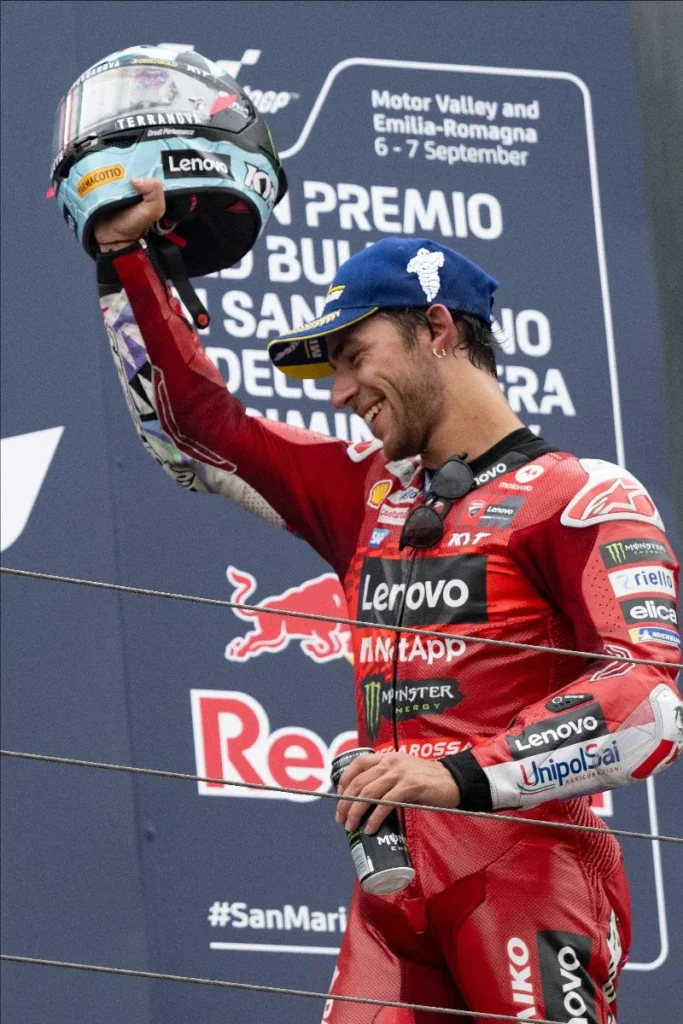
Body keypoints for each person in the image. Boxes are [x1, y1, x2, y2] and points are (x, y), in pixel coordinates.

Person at [94, 178, 681, 1024]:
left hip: (526, 875)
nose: (338, 392)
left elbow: (650, 702)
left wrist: (452, 774)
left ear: (435, 329)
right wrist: (124, 263)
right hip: (392, 895)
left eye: (353, 356)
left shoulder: (582, 494)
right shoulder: (361, 494)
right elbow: (198, 429)